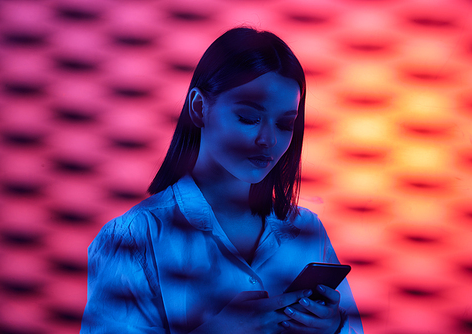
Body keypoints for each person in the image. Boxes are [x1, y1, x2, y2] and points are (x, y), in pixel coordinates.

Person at [80, 27, 364, 334]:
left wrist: (335, 327)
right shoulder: (133, 238)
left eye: (285, 124)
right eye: (248, 117)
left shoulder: (307, 231)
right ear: (199, 108)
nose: (267, 140)